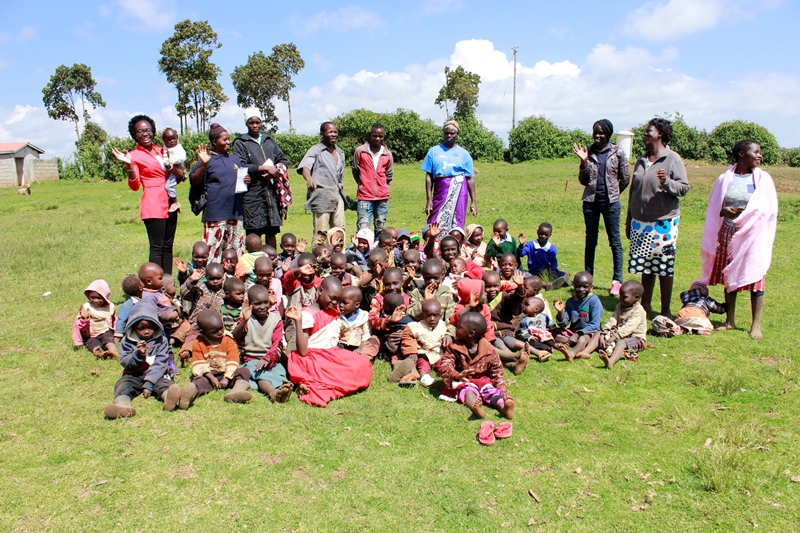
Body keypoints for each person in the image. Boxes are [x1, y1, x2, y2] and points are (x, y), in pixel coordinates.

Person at [698, 139, 778, 339]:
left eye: (760, 152)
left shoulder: (763, 179)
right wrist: (725, 211)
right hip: (729, 232)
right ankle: (729, 320)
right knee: (729, 273)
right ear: (742, 154)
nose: (759, 155)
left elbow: (769, 209)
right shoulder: (725, 178)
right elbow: (716, 205)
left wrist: (748, 213)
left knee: (756, 275)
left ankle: (755, 324)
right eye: (756, 152)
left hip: (754, 234)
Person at [626, 118, 689, 318]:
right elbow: (633, 191)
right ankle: (645, 306)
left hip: (664, 222)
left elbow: (684, 188)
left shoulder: (672, 159)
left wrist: (666, 182)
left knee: (664, 266)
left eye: (649, 131)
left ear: (660, 134)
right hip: (640, 221)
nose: (645, 134)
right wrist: (629, 218)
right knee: (646, 265)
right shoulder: (642, 159)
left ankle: (665, 310)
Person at [286, 276, 373, 407]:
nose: (334, 302)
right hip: (313, 356)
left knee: (362, 363)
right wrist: (298, 322)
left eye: (338, 300)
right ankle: (309, 387)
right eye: (331, 298)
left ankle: (313, 385)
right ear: (320, 291)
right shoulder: (307, 314)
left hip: (332, 352)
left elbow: (355, 294)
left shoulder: (332, 309)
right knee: (331, 374)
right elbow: (303, 351)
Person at [111, 115, 179, 274]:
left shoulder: (162, 150)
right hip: (153, 201)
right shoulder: (134, 156)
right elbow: (134, 185)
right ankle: (156, 286)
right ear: (134, 134)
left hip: (170, 200)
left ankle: (167, 284)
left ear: (153, 131)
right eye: (140, 131)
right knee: (157, 246)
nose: (145, 134)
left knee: (168, 245)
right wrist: (129, 166)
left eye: (148, 130)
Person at [104, 301, 195, 418]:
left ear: (156, 325)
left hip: (156, 374)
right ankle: (123, 406)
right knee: (123, 385)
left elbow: (161, 362)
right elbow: (125, 362)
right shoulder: (128, 341)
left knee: (164, 384)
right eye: (141, 328)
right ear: (133, 327)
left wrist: (149, 383)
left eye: (150, 327)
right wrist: (138, 354)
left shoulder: (161, 339)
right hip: (134, 374)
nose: (146, 331)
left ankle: (169, 398)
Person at [573, 119, 630, 296]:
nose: (597, 135)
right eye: (595, 132)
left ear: (608, 134)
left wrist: (613, 193)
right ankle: (588, 279)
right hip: (590, 202)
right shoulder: (588, 152)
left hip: (611, 203)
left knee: (615, 241)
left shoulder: (618, 153)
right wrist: (583, 162)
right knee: (591, 240)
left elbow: (625, 177)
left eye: (601, 132)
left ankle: (617, 281)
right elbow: (583, 181)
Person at [232, 108, 291, 249]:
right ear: (246, 124)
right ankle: (255, 264)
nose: (255, 125)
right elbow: (240, 165)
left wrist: (276, 170)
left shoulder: (269, 141)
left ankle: (273, 263)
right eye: (251, 122)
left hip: (271, 192)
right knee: (254, 232)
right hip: (252, 193)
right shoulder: (241, 142)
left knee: (272, 231)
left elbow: (283, 159)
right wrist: (262, 169)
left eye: (257, 122)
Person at [438, 312, 514, 420]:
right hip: (465, 381)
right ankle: (476, 408)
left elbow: (497, 372)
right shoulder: (454, 347)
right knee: (468, 392)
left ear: (471, 333)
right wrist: (456, 375)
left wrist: (503, 392)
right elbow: (445, 364)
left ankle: (504, 407)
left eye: (459, 327)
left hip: (484, 381)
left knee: (492, 393)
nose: (456, 329)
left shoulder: (489, 350)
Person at [190, 124, 245, 262]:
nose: (228, 142)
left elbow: (240, 181)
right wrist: (203, 165)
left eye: (229, 139)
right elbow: (194, 181)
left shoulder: (235, 159)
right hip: (216, 213)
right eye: (224, 140)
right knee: (213, 251)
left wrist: (246, 180)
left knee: (234, 252)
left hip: (235, 211)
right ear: (214, 142)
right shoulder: (208, 160)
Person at [233, 285, 293, 403]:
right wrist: (244, 320)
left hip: (271, 359)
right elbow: (236, 336)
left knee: (279, 373)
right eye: (257, 304)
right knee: (261, 375)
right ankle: (273, 392)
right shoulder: (247, 319)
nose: (262, 307)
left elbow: (277, 343)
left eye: (265, 302)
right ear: (250, 304)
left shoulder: (275, 320)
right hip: (252, 359)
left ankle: (283, 388)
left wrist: (268, 358)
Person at [422, 120, 477, 236]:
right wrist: (429, 199)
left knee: (457, 219)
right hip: (440, 188)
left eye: (452, 133)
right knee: (435, 218)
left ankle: (454, 246)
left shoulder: (464, 154)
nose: (449, 136)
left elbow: (470, 178)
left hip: (460, 190)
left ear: (457, 134)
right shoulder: (433, 151)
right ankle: (434, 246)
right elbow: (429, 176)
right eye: (446, 133)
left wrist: (473, 202)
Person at [298, 122, 346, 246]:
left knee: (339, 231)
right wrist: (309, 179)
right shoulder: (316, 150)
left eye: (335, 132)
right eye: (330, 132)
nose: (333, 134)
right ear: (322, 134)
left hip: (336, 194)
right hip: (321, 196)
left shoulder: (340, 153)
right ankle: (319, 261)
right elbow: (305, 167)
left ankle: (338, 261)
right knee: (321, 234)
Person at [191, 310, 252, 403]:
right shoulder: (199, 342)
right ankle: (188, 394)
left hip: (228, 374)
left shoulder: (227, 338)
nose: (220, 332)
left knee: (244, 371)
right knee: (199, 381)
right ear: (203, 332)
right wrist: (211, 378)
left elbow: (233, 360)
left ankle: (237, 391)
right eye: (214, 331)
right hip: (210, 375)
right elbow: (199, 363)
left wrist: (226, 378)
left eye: (221, 328)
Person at [352, 123, 394, 236]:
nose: (377, 138)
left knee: (380, 227)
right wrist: (363, 184)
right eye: (375, 135)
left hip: (382, 198)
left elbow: (389, 175)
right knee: (363, 228)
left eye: (380, 136)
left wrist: (381, 185)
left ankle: (377, 252)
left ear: (384, 136)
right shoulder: (360, 151)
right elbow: (355, 170)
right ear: (370, 135)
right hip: (364, 196)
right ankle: (362, 253)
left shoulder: (387, 154)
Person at [553, 271, 604, 362]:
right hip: (574, 331)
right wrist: (560, 312)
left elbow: (595, 325)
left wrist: (578, 334)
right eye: (578, 286)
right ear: (573, 286)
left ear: (591, 288)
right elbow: (564, 324)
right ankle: (574, 342)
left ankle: (572, 353)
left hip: (589, 332)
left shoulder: (594, 300)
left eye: (585, 287)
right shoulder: (570, 301)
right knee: (552, 332)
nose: (581, 289)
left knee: (582, 338)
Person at [72, 279, 118, 359]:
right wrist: (84, 318)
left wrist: (117, 333)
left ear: (105, 297)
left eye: (99, 298)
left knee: (109, 340)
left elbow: (114, 319)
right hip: (91, 334)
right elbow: (78, 325)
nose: (95, 301)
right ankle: (99, 353)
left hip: (105, 331)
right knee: (92, 343)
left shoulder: (110, 306)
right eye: (92, 297)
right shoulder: (86, 308)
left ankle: (114, 353)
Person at [517, 222, 569, 290]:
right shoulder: (531, 245)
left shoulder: (551, 248)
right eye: (541, 234)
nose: (543, 236)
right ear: (537, 232)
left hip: (547, 271)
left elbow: (553, 261)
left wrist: (554, 270)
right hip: (534, 271)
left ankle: (564, 279)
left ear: (550, 235)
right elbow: (520, 254)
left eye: (546, 235)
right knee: (528, 277)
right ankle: (549, 284)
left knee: (558, 273)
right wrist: (521, 245)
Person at [162, 127, 186, 213]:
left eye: (174, 139)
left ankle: (175, 202)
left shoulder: (178, 147)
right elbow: (165, 156)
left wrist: (171, 162)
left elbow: (182, 158)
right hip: (170, 168)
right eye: (169, 140)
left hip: (177, 168)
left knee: (168, 186)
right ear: (164, 141)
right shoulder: (165, 147)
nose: (172, 141)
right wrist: (166, 162)